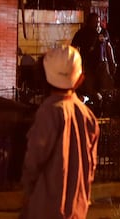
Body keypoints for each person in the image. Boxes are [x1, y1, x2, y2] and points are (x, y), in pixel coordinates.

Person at [20, 45, 100, 219]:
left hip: (45, 208)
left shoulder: (48, 111)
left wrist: (27, 192)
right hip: (77, 209)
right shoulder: (89, 117)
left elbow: (34, 159)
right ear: (79, 79)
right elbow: (91, 166)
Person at [71, 12, 116, 102]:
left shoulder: (104, 32)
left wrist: (112, 62)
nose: (97, 24)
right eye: (95, 22)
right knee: (88, 87)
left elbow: (108, 47)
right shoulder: (82, 33)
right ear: (89, 22)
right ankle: (93, 102)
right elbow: (74, 48)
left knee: (106, 86)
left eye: (98, 22)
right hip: (88, 64)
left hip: (102, 63)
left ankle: (105, 105)